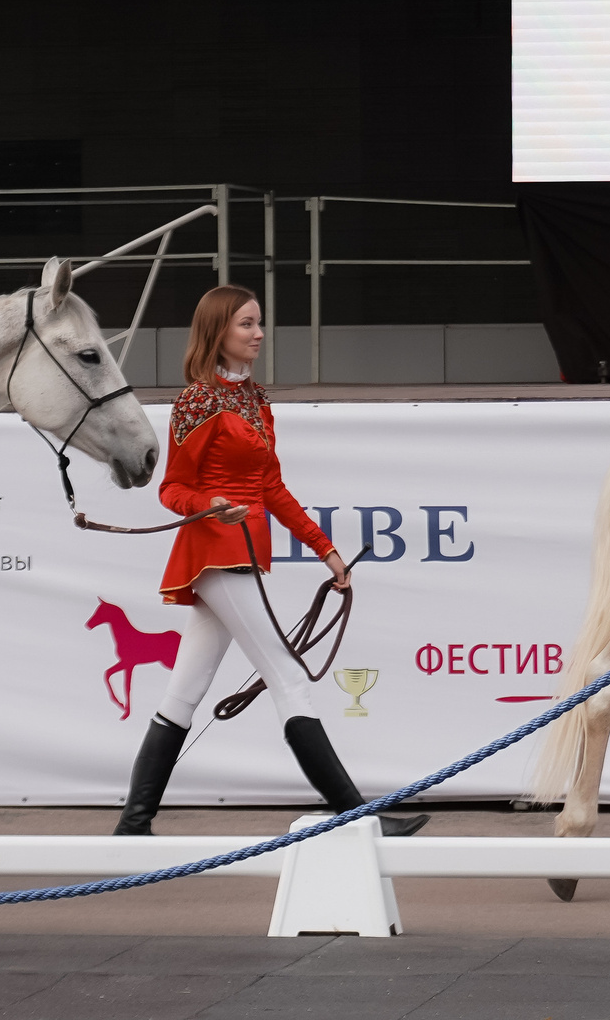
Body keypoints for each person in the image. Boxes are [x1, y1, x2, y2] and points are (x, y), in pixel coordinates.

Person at [113, 284, 427, 837]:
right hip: (215, 553)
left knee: (182, 694)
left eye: (259, 324)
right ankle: (363, 821)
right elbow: (173, 489)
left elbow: (273, 488)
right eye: (246, 325)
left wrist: (325, 548)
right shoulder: (197, 400)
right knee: (288, 678)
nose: (259, 334)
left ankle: (133, 826)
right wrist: (208, 504)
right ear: (217, 332)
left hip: (250, 553)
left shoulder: (256, 401)